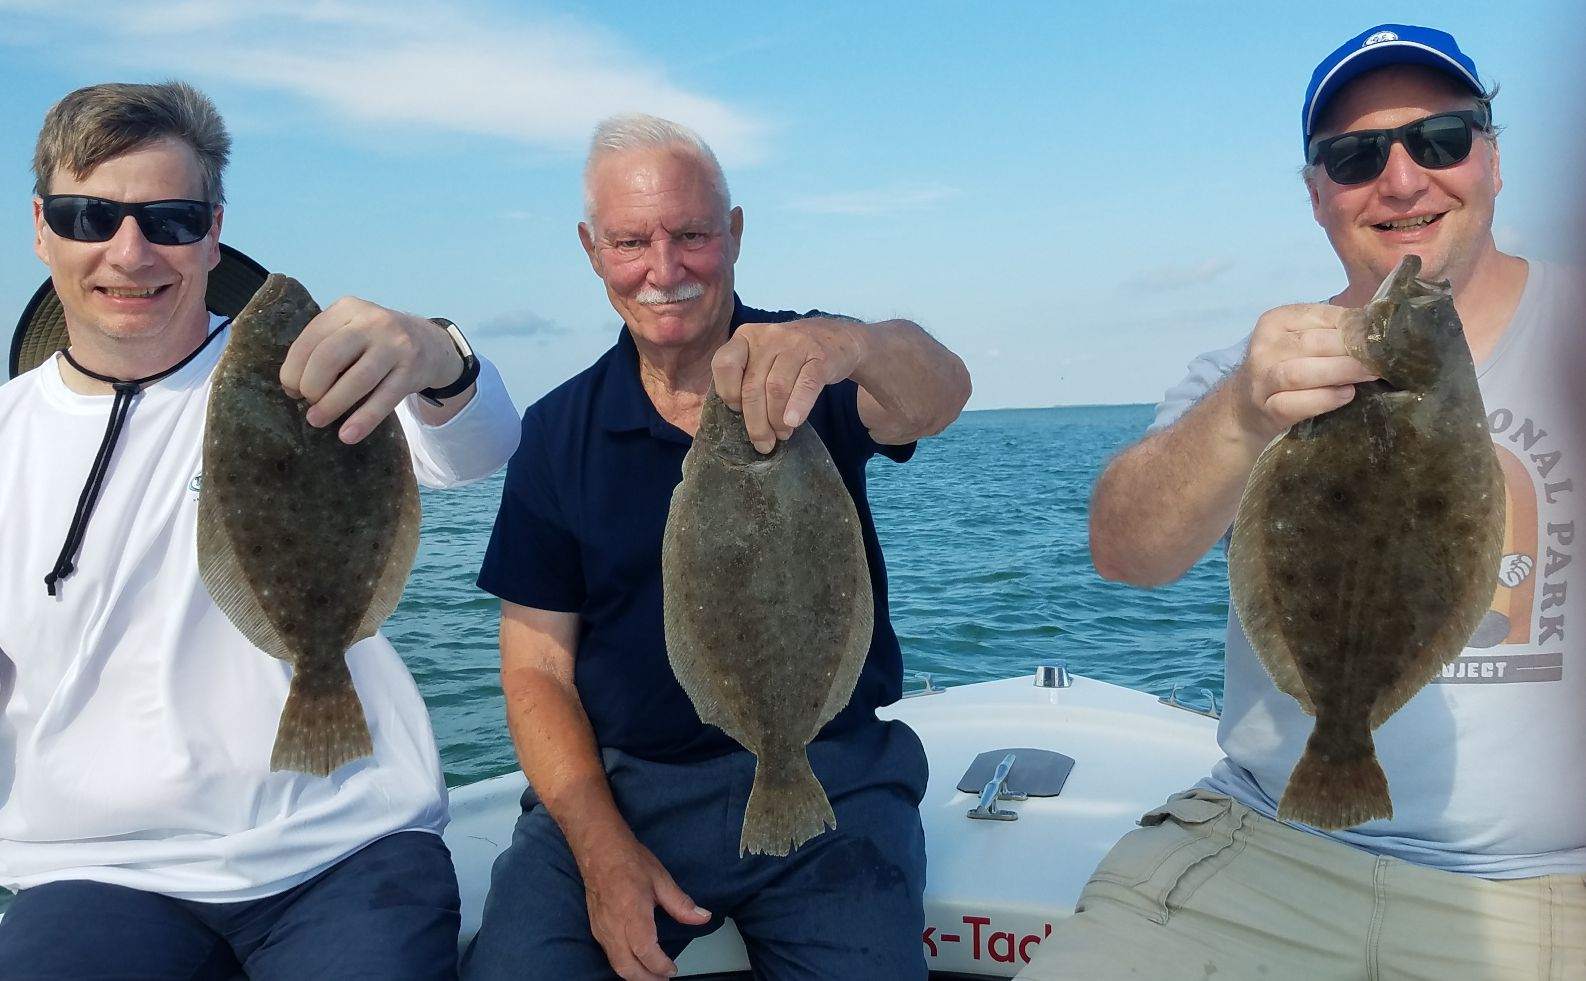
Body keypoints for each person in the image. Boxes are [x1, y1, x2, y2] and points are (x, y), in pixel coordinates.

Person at [1020, 24, 1584, 979]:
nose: (1402, 181)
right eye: (1356, 157)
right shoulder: (1251, 374)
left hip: (1546, 888)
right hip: (1262, 845)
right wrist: (1241, 413)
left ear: (1491, 157)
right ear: (1317, 192)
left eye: (1439, 139)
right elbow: (1124, 550)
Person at [0, 81, 521, 979]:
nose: (131, 251)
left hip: (346, 849)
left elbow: (478, 447)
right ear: (42, 225)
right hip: (91, 871)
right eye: (93, 216)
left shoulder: (310, 378)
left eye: (170, 218)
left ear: (212, 231)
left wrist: (440, 354)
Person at [463, 113, 971, 980]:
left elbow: (939, 394)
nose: (664, 269)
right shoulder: (556, 434)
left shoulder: (813, 369)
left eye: (692, 234)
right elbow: (535, 670)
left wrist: (851, 343)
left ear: (733, 234)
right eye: (631, 242)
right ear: (593, 250)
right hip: (627, 790)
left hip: (829, 774)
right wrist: (600, 847)